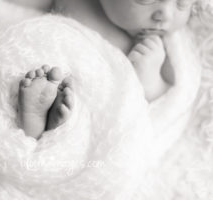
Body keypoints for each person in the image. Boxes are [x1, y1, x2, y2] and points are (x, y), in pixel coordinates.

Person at [16, 0, 197, 139]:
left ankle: (43, 127)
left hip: (105, 114)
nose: (165, 15)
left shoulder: (157, 47)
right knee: (26, 69)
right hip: (55, 69)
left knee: (88, 124)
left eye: (182, 3)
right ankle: (37, 123)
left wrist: (150, 80)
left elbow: (170, 100)